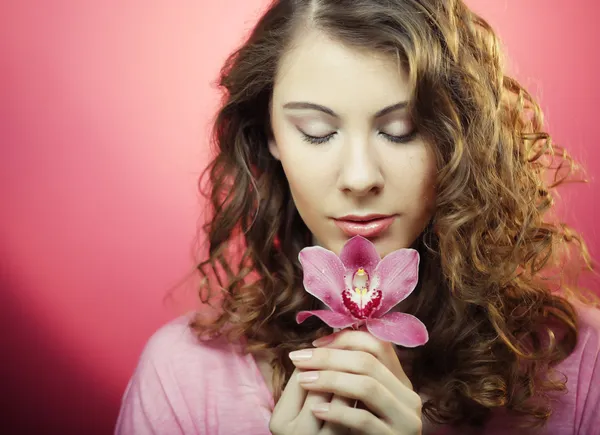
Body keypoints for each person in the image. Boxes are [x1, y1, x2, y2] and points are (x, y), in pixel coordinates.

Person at [115, 0, 600, 434]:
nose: (361, 177)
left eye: (401, 130)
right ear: (270, 136)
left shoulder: (584, 365)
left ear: (458, 136)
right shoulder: (182, 376)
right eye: (319, 131)